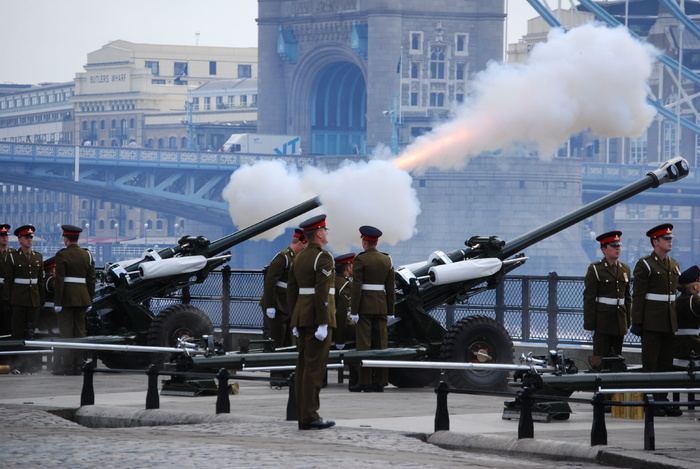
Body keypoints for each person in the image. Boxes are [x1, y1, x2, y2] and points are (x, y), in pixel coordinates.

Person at [287, 214, 336, 430]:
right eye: (325, 230)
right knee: (314, 370)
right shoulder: (323, 258)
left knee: (303, 368)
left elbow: (292, 291)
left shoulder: (299, 257)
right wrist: (324, 323)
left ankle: (303, 414)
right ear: (318, 234)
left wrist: (294, 320)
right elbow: (322, 292)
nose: (326, 234)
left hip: (302, 316)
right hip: (317, 319)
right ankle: (310, 416)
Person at [631, 223, 682, 417]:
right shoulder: (645, 264)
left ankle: (663, 400)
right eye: (666, 239)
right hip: (652, 321)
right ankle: (650, 401)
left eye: (670, 239)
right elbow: (638, 295)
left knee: (665, 364)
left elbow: (677, 289)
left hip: (669, 320)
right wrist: (637, 321)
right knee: (651, 364)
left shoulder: (673, 264)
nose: (670, 242)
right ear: (655, 242)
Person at [350, 225, 395, 392]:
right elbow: (390, 289)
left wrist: (353, 311)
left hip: (364, 306)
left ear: (364, 241)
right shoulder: (387, 259)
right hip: (382, 305)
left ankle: (365, 381)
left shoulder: (360, 260)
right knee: (381, 344)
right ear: (376, 242)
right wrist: (391, 310)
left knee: (364, 344)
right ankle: (381, 381)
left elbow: (356, 288)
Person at [259, 228, 306, 386]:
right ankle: (277, 378)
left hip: (285, 305)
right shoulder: (283, 258)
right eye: (305, 246)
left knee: (286, 342)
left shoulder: (293, 258)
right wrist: (270, 305)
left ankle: (286, 375)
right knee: (278, 343)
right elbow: (270, 282)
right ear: (301, 243)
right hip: (277, 305)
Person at [52, 225, 96, 376]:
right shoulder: (87, 255)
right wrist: (89, 299)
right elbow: (91, 279)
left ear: (66, 238)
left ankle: (67, 365)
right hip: (83, 297)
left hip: (67, 299)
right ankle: (78, 364)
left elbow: (59, 280)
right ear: (78, 238)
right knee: (79, 332)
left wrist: (57, 303)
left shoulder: (62, 255)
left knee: (66, 332)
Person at [583, 230, 631, 361]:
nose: (618, 249)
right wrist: (590, 324)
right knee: (600, 359)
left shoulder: (624, 269)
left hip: (619, 320)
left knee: (616, 359)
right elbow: (589, 298)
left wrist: (628, 320)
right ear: (604, 249)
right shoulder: (596, 269)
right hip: (602, 322)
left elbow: (627, 297)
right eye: (614, 246)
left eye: (619, 246)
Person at [6, 225, 44, 373]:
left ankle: (30, 363)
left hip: (33, 298)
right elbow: (9, 280)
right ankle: (16, 363)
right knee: (17, 332)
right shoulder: (13, 257)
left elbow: (40, 280)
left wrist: (41, 298)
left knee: (31, 332)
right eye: (26, 237)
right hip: (18, 299)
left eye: (31, 237)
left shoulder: (38, 256)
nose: (30, 240)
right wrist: (7, 300)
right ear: (20, 240)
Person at [674, 265, 700, 360]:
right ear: (694, 286)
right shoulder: (694, 300)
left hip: (676, 343)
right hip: (692, 343)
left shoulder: (678, 300)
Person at [333, 253, 356, 350]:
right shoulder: (346, 285)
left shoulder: (333, 280)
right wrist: (340, 340)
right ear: (348, 268)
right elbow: (342, 313)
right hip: (340, 330)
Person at [0, 224, 14, 339]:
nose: (5, 238)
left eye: (6, 236)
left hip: (10, 293)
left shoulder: (13, 253)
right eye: (2, 236)